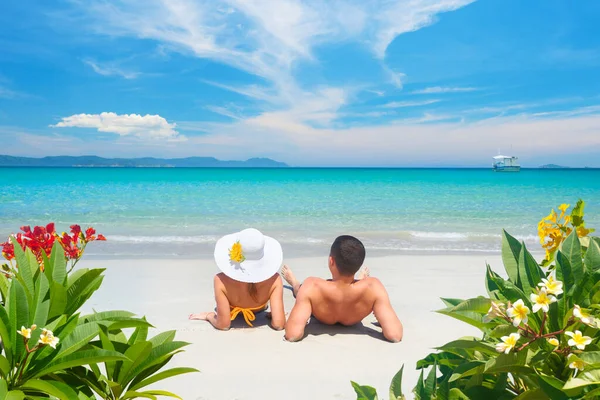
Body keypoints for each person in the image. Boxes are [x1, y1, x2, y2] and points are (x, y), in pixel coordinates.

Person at [281, 235, 403, 342]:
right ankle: (359, 280)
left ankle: (295, 283)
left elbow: (292, 335)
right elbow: (395, 336)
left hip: (322, 307)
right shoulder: (373, 287)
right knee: (308, 290)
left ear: (331, 261)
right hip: (355, 305)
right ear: (359, 263)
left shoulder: (312, 285)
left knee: (301, 289)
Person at [189, 228, 285, 331]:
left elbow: (223, 325)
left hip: (231, 311)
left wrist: (209, 315)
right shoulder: (275, 280)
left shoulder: (220, 280)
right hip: (259, 310)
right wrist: (276, 314)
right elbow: (279, 325)